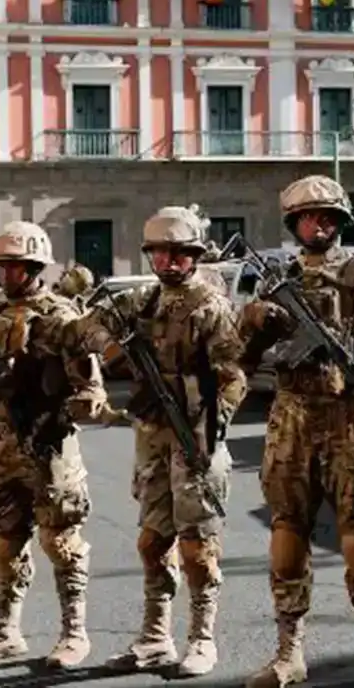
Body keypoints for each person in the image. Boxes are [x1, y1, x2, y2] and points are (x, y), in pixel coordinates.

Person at [240, 175, 354, 688]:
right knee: (287, 534)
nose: (320, 223)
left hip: (348, 415)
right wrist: (256, 318)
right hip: (292, 417)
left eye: (328, 216)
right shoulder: (276, 279)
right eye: (310, 216)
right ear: (294, 223)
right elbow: (240, 354)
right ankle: (289, 652)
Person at [85, 207, 247, 676]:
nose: (169, 261)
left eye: (179, 253)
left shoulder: (210, 307)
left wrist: (210, 429)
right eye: (160, 253)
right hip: (152, 435)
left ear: (194, 256)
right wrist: (109, 347)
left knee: (198, 544)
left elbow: (232, 376)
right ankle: (155, 637)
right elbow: (87, 325)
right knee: (153, 540)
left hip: (194, 434)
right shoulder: (141, 301)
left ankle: (201, 639)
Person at [0, 221, 109, 670]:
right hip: (3, 441)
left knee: (61, 541)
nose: (4, 275)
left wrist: (69, 407)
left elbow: (90, 389)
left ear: (34, 267)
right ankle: (5, 631)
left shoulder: (60, 318)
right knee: (5, 539)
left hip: (49, 443)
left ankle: (74, 633)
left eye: (13, 266)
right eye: (0, 267)